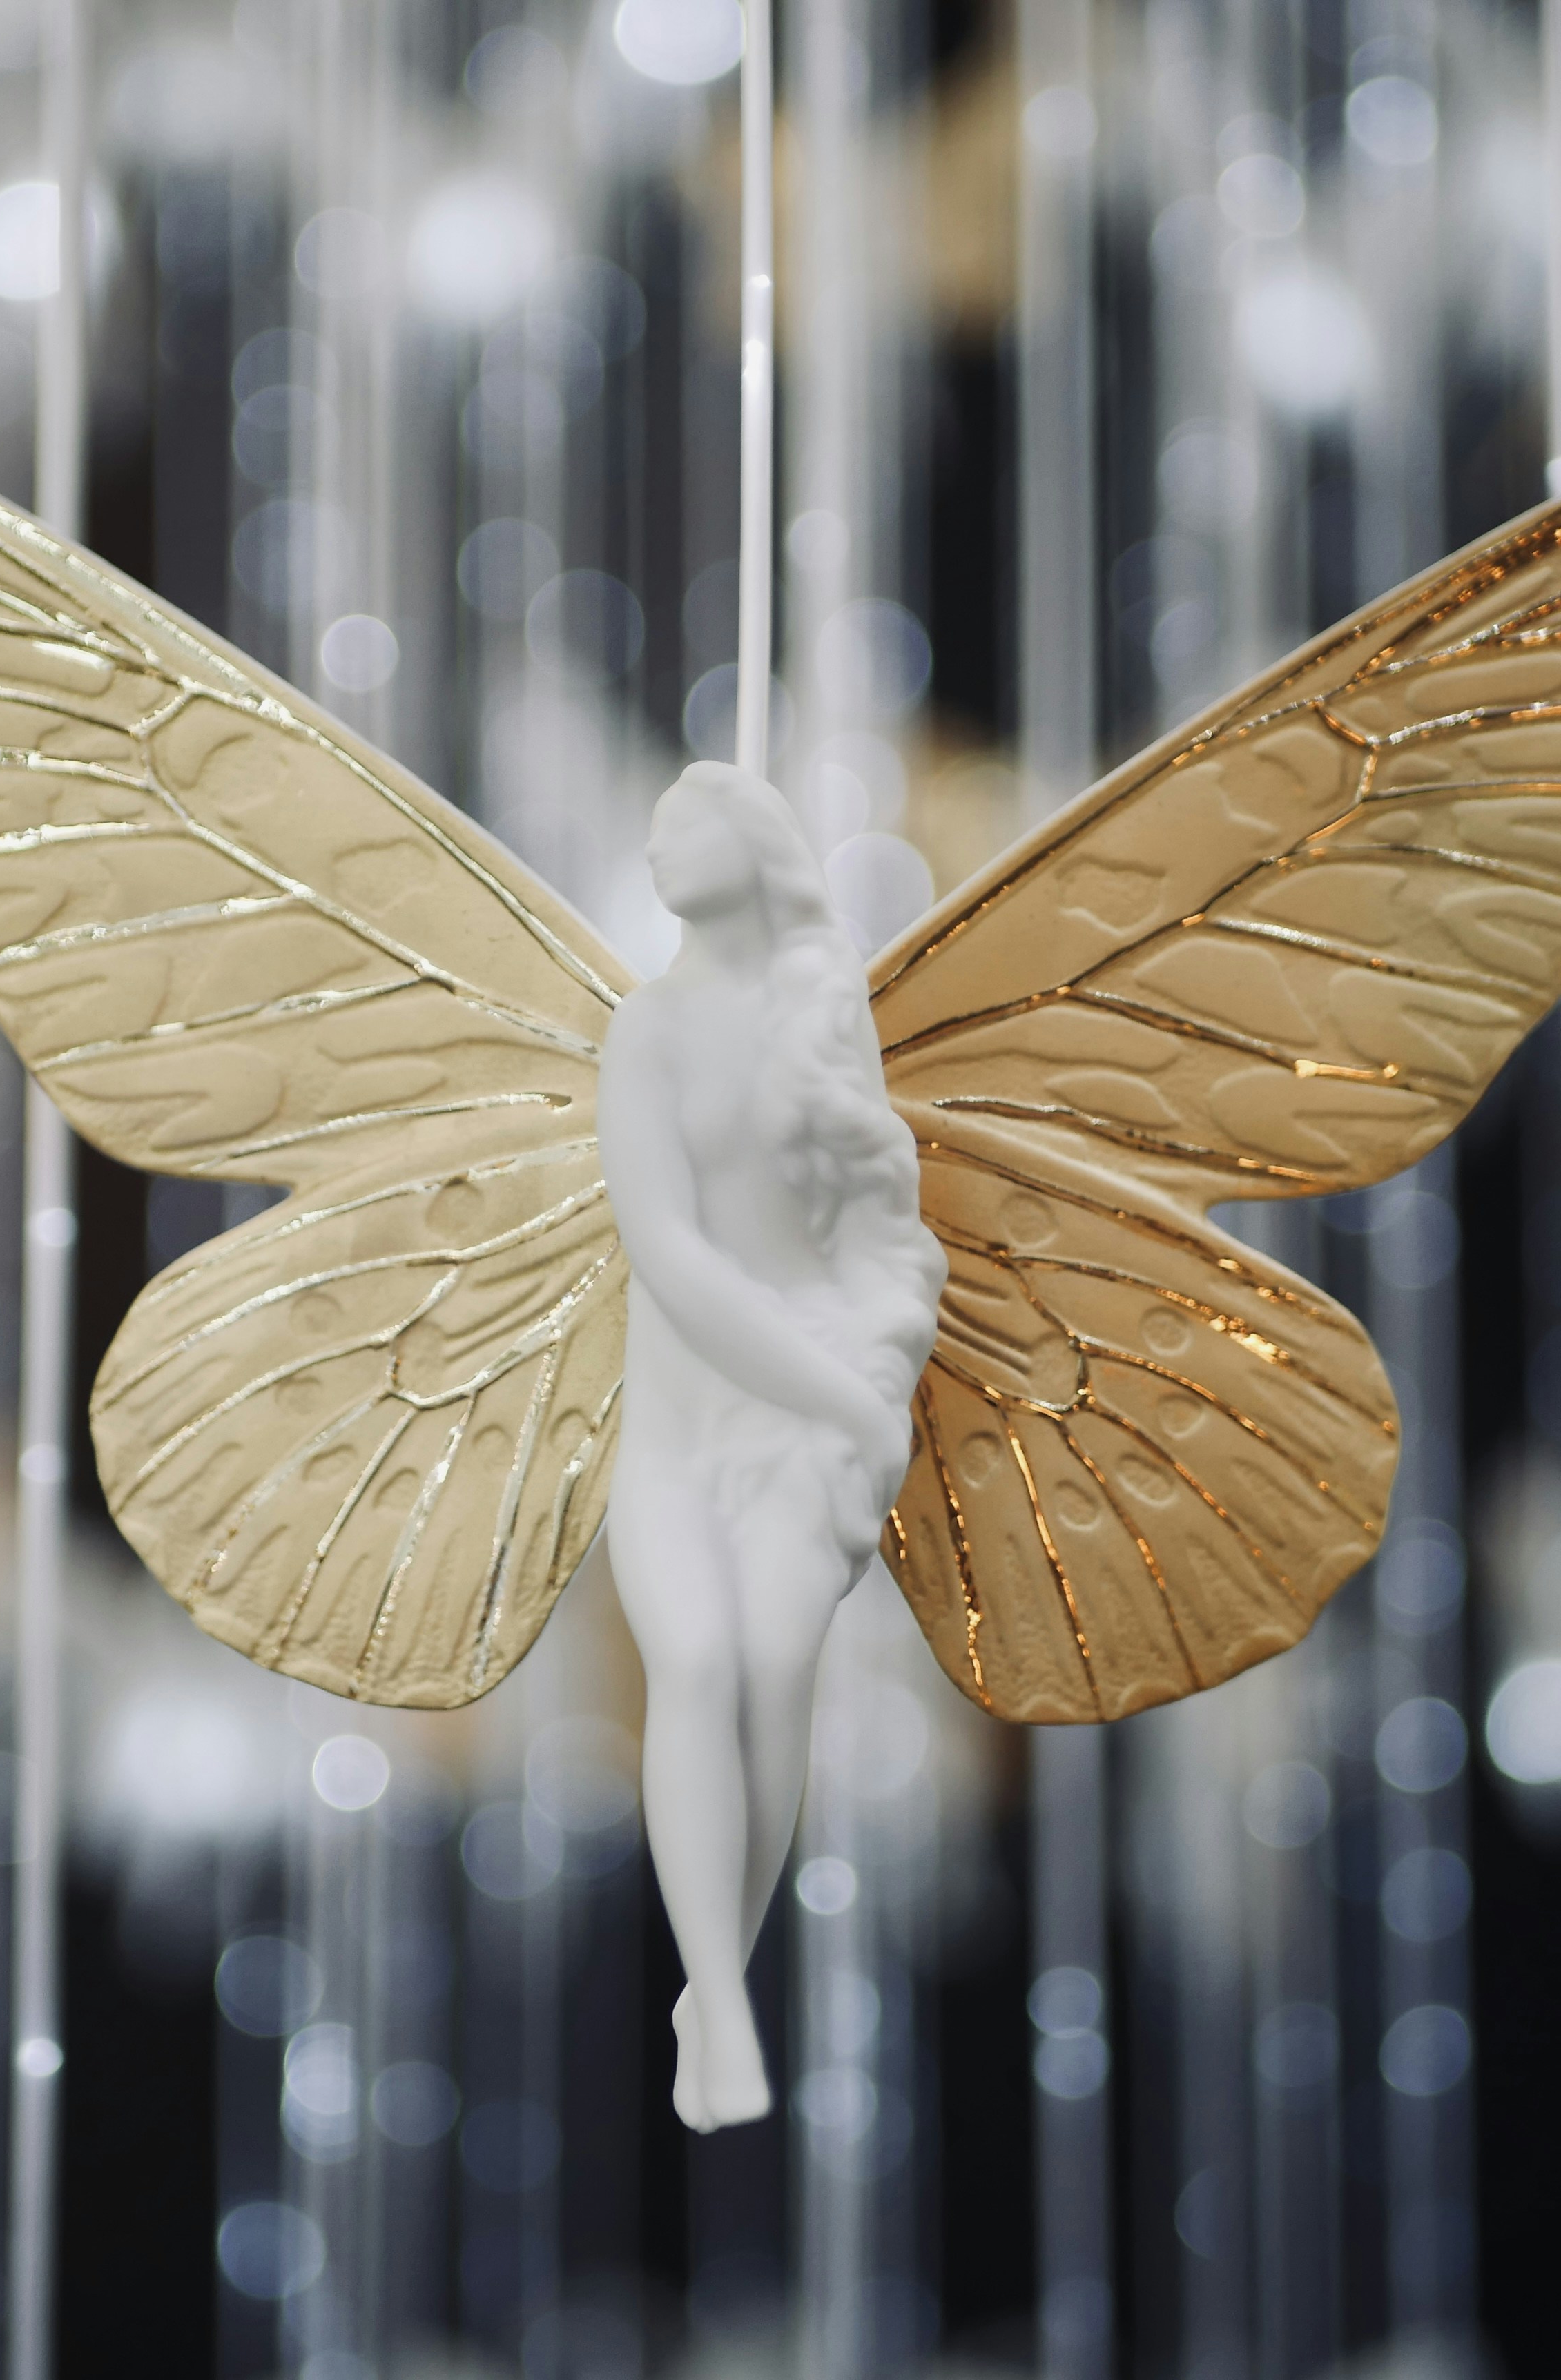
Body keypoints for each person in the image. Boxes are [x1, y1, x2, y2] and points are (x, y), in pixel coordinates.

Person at [596, 761, 944, 2132]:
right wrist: (840, 1387)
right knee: (690, 1658)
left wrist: (876, 1363)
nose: (656, 835)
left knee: (776, 1670)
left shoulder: (823, 1017)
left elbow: (880, 1222)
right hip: (683, 1425)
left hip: (805, 1431)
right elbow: (671, 1255)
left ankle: (718, 1975)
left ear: (752, 849)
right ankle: (723, 2006)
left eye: (683, 816)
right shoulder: (647, 1031)